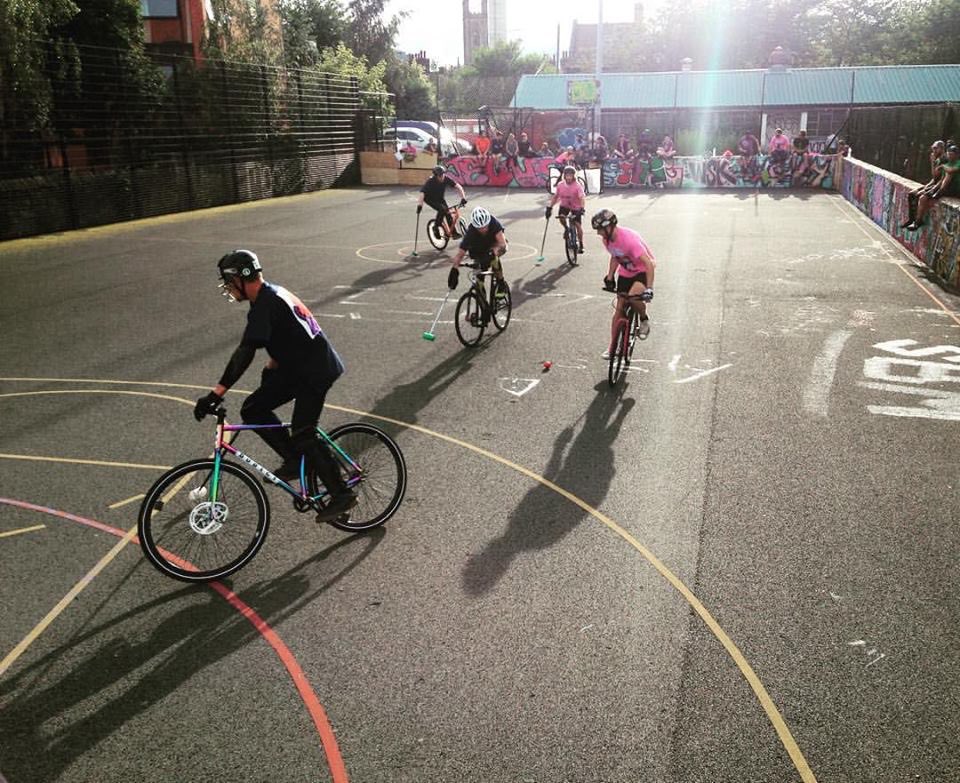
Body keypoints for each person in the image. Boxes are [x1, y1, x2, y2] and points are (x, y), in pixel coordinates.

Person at [192, 250, 356, 522]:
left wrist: (216, 393)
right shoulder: (268, 297)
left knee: (304, 432)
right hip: (298, 367)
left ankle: (341, 494)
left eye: (229, 281)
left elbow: (244, 352)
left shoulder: (266, 303)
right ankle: (294, 460)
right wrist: (273, 365)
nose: (228, 288)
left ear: (241, 278)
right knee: (254, 408)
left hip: (315, 371)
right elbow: (287, 334)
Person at [592, 209, 656, 355]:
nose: (598, 233)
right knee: (619, 307)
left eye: (600, 229)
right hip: (626, 272)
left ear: (609, 227)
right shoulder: (607, 239)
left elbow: (649, 264)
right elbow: (615, 257)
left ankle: (644, 319)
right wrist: (610, 277)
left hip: (642, 271)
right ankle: (612, 346)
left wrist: (649, 288)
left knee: (633, 297)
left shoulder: (629, 240)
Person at [446, 206, 508, 303]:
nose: (483, 229)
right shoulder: (471, 232)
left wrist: (493, 253)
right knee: (479, 281)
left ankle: (501, 284)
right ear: (475, 226)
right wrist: (454, 269)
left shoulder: (494, 223)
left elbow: (502, 244)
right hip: (478, 251)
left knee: (493, 258)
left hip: (494, 245)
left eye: (485, 226)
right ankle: (484, 307)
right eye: (480, 228)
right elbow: (460, 254)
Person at [907, 144, 960, 231]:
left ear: (957, 155)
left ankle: (939, 192)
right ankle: (917, 221)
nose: (949, 156)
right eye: (949, 153)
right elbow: (938, 178)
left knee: (949, 174)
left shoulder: (957, 163)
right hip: (942, 187)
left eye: (952, 154)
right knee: (922, 198)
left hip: (954, 189)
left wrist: (942, 166)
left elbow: (950, 171)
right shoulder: (947, 163)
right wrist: (932, 189)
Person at [417, 165, 467, 240]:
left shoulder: (446, 178)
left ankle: (453, 233)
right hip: (430, 199)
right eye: (440, 176)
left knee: (448, 213)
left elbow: (458, 187)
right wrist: (419, 206)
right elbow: (422, 194)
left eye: (443, 174)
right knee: (442, 209)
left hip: (440, 198)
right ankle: (436, 227)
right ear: (435, 176)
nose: (442, 177)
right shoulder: (430, 181)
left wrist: (463, 198)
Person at [545, 165, 586, 253]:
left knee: (578, 225)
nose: (569, 177)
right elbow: (555, 197)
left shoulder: (577, 186)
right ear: (564, 176)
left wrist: (582, 209)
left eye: (571, 175)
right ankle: (566, 229)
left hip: (576, 207)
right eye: (567, 175)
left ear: (574, 176)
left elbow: (582, 198)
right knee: (561, 217)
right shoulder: (560, 185)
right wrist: (550, 207)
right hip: (565, 205)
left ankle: (581, 244)